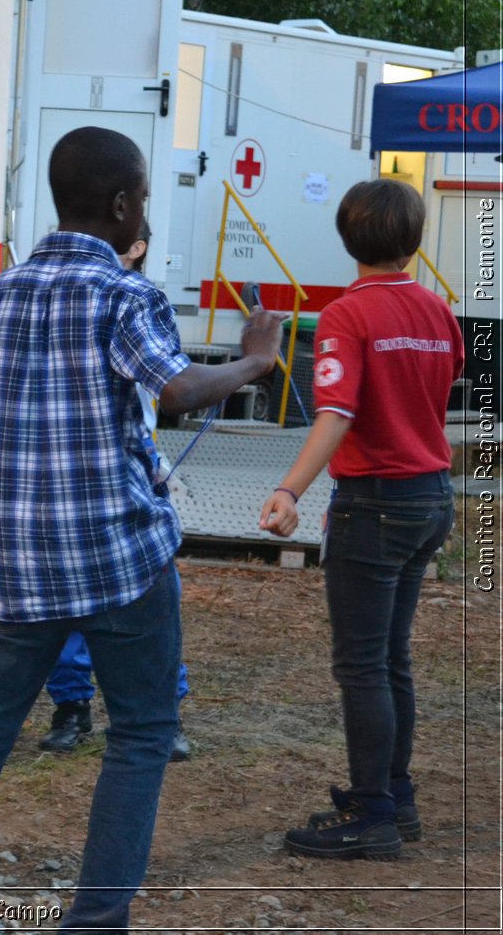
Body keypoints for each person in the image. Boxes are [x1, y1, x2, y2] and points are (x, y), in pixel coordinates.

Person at [0, 126, 281, 934]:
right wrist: (253, 363)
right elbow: (172, 389)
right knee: (141, 731)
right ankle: (96, 922)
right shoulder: (125, 296)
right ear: (125, 203)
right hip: (119, 559)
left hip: (11, 567)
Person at [259, 179, 461, 861]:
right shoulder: (439, 311)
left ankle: (372, 813)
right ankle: (394, 798)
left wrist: (289, 488)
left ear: (347, 239)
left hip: (373, 502)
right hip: (431, 493)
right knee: (391, 656)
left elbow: (337, 413)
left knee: (362, 665)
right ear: (414, 240)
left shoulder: (347, 315)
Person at [38, 224, 192, 763]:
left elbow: (173, 389)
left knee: (154, 601)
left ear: (137, 246)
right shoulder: (58, 301)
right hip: (71, 484)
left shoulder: (140, 303)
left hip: (134, 478)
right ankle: (72, 705)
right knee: (67, 607)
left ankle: (162, 710)